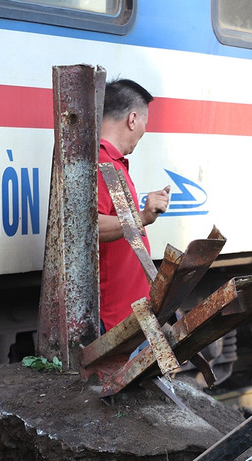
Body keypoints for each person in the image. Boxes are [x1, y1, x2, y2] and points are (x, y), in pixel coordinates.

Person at [97, 78, 171, 331]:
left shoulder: (113, 163)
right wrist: (142, 217)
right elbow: (90, 226)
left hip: (129, 312)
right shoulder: (101, 162)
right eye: (144, 124)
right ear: (132, 119)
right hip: (115, 317)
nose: (143, 133)